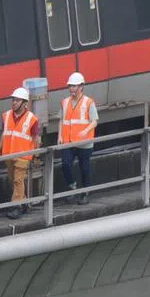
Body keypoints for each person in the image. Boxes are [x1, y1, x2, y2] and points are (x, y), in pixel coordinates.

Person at [0, 86, 41, 219]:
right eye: (13, 100)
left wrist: (35, 154)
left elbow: (36, 139)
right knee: (14, 181)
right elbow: (3, 134)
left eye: (17, 101)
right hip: (8, 153)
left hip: (23, 155)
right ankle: (24, 203)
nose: (14, 103)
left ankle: (16, 207)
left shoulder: (32, 119)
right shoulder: (6, 116)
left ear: (24, 103)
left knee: (18, 180)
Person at [59, 71, 98, 204]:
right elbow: (61, 120)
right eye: (70, 86)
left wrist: (85, 130)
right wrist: (59, 135)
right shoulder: (65, 102)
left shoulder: (88, 102)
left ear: (81, 87)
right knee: (65, 164)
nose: (72, 89)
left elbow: (95, 121)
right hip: (68, 142)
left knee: (85, 168)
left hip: (84, 143)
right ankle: (72, 186)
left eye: (74, 86)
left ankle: (86, 193)